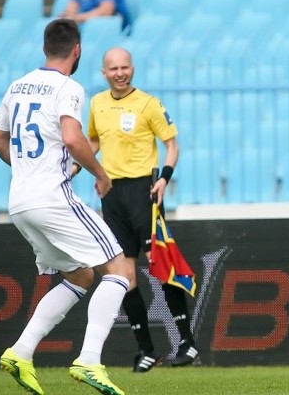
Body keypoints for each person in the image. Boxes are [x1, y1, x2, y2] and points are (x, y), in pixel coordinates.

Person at [0, 18, 130, 395]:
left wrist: (26, 170)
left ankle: (20, 352)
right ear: (78, 50)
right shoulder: (68, 87)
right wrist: (99, 173)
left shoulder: (17, 86)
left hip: (20, 202)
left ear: (44, 48)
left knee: (81, 276)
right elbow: (72, 136)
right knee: (119, 269)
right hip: (52, 198)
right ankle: (90, 361)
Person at [76, 47, 198, 372]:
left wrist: (165, 180)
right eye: (113, 68)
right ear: (104, 72)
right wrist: (78, 168)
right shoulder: (97, 103)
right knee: (124, 275)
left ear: (132, 68)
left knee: (160, 264)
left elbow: (172, 143)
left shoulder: (148, 104)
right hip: (112, 194)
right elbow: (94, 142)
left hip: (144, 190)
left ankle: (187, 343)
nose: (120, 73)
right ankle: (146, 350)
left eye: (124, 67)